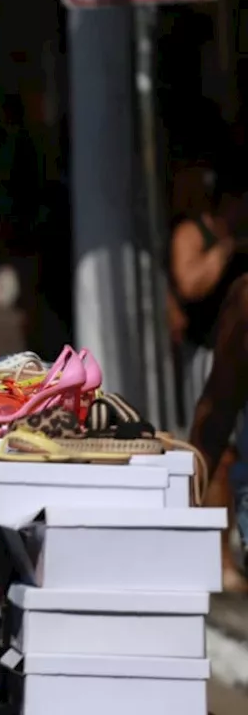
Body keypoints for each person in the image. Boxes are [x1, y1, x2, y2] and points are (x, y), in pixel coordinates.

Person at [170, 158, 248, 593]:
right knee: (220, 456)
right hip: (209, 351)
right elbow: (190, 285)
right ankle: (217, 558)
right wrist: (226, 248)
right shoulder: (194, 234)